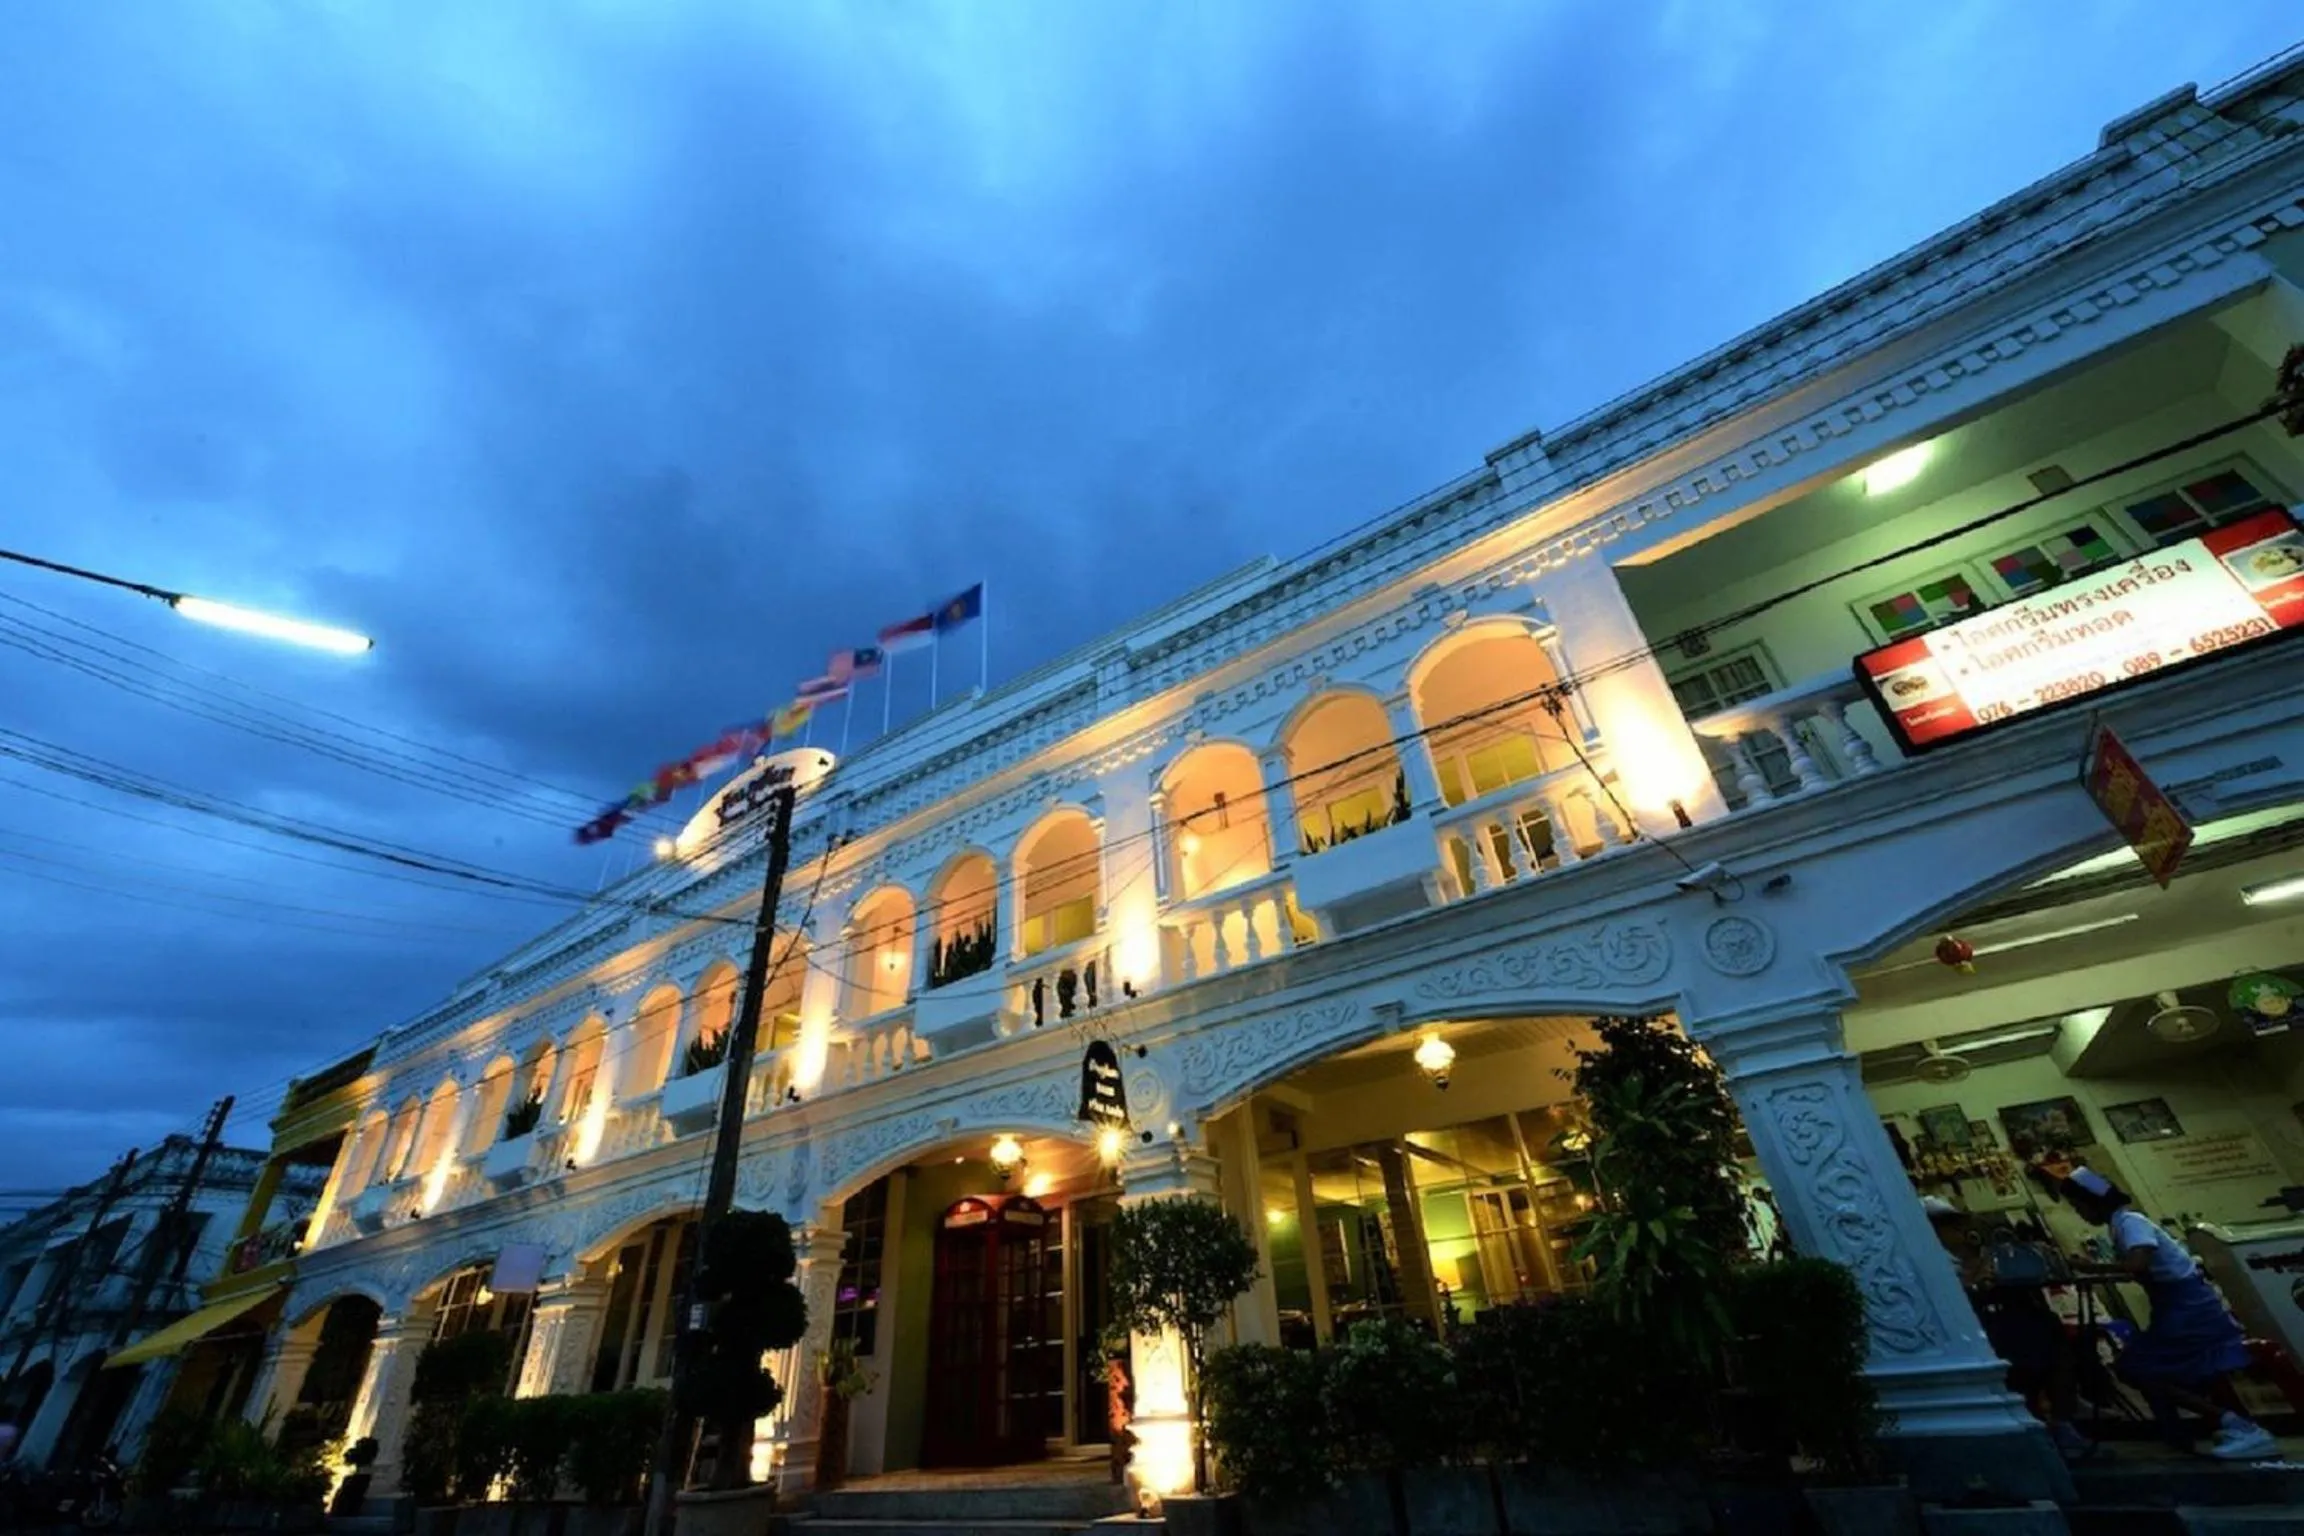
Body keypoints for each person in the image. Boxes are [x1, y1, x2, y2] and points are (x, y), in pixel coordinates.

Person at [2060, 1166, 2277, 1460]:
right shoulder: (2121, 1223)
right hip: (2176, 1305)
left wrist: (2091, 1268)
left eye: (2078, 1206)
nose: (2080, 1213)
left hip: (2187, 1307)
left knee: (2137, 1368)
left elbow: (2137, 1264)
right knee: (2151, 1369)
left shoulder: (2129, 1222)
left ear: (2092, 1202)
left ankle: (2238, 1426)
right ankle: (2201, 1431)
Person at [1924, 1196, 2095, 1460]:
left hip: (2002, 1323)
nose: (1959, 1231)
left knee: (2048, 1330)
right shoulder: (1931, 1260)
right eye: (1949, 1225)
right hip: (1973, 1334)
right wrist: (1976, 1281)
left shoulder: (1967, 1255)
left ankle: (2063, 1413)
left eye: (1957, 1225)